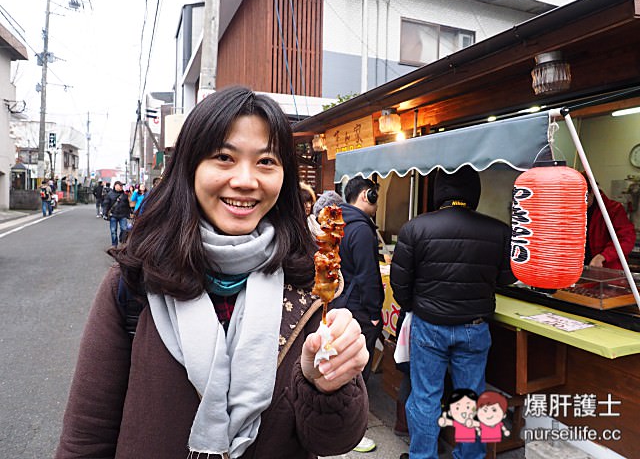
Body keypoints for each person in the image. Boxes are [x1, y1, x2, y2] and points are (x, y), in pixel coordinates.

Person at [55, 86, 369, 459]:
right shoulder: (137, 281)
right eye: (224, 157)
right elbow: (87, 436)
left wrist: (324, 386)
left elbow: (333, 441)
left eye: (266, 161)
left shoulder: (307, 285)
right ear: (190, 168)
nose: (245, 180)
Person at [390, 166, 516, 459]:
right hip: (475, 326)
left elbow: (400, 283)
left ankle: (423, 456)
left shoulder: (415, 228)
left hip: (428, 325)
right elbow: (507, 277)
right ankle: (470, 456)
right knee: (470, 397)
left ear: (439, 192)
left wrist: (414, 306)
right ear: (474, 193)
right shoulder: (498, 230)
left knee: (425, 397)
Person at [333, 176, 385, 453]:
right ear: (367, 195)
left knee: (341, 366)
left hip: (339, 302)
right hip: (358, 309)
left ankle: (337, 424)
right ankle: (352, 431)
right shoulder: (362, 230)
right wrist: (375, 312)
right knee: (357, 372)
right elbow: (368, 275)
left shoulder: (337, 222)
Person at [583, 172, 636, 270]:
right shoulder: (571, 211)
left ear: (593, 192)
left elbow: (626, 239)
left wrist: (603, 256)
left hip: (606, 270)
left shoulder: (613, 210)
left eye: (584, 198)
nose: (580, 203)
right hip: (578, 270)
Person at [102, 181, 131, 247]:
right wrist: (104, 213)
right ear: (115, 186)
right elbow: (106, 204)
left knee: (124, 229)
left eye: (121, 186)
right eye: (119, 185)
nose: (120, 187)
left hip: (123, 215)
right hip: (113, 215)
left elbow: (128, 205)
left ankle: (122, 241)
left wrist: (129, 213)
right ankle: (114, 244)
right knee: (113, 231)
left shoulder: (124, 194)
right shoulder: (110, 194)